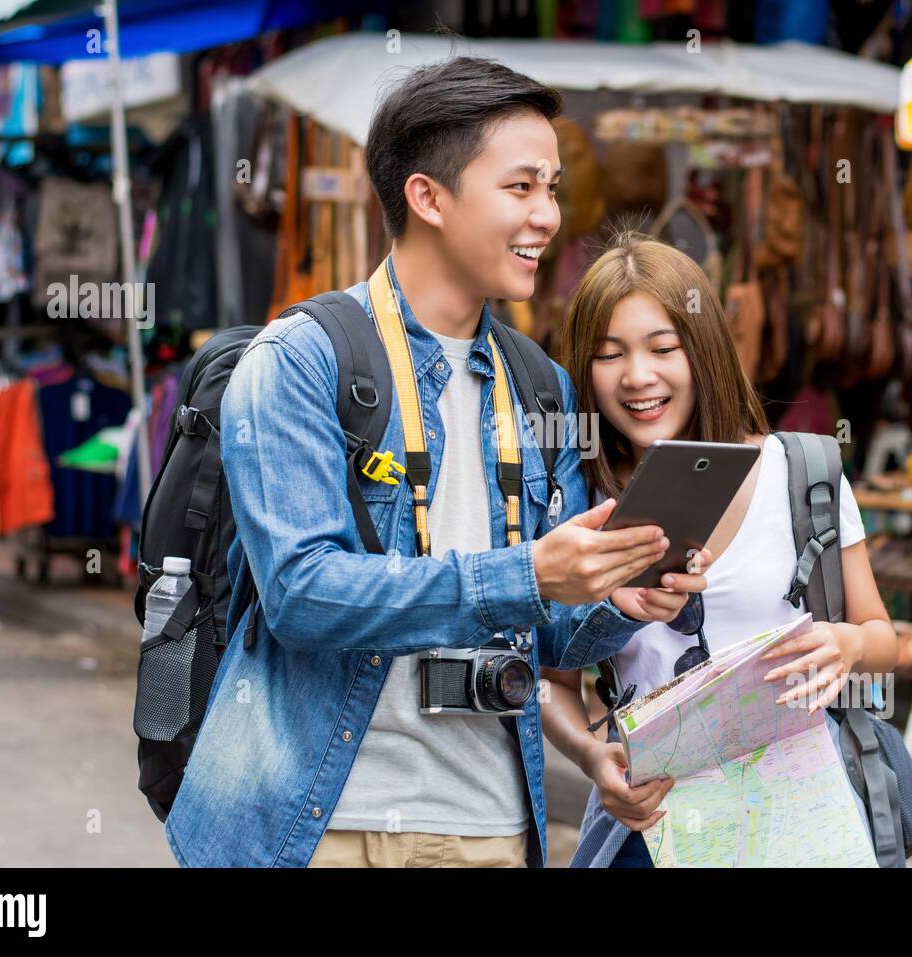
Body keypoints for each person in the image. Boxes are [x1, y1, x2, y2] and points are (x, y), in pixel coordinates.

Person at [162, 59, 710, 869]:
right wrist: (527, 573)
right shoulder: (301, 360)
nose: (549, 216)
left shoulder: (540, 384)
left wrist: (620, 600)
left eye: (552, 188)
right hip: (317, 827)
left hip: (489, 826)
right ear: (428, 197)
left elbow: (549, 631)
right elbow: (302, 594)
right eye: (521, 187)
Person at [540, 233, 900, 867]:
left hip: (799, 823)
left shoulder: (802, 473)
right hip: (653, 831)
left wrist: (847, 646)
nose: (638, 377)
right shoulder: (580, 503)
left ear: (700, 351)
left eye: (662, 348)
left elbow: (881, 636)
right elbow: (551, 684)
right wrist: (597, 760)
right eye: (608, 355)